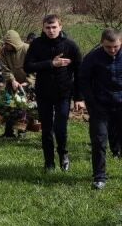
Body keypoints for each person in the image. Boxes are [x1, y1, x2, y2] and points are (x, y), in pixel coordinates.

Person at [24, 14, 82, 172]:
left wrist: (78, 97)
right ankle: (49, 162)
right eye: (48, 28)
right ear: (43, 28)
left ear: (60, 27)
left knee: (60, 127)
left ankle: (63, 154)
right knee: (47, 129)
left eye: (54, 27)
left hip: (64, 92)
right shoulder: (37, 44)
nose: (51, 30)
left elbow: (79, 73)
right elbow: (28, 67)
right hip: (43, 93)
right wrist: (51, 63)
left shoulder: (70, 46)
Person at [76, 28, 122, 190]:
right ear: (102, 42)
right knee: (99, 141)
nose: (112, 50)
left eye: (115, 46)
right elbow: (83, 79)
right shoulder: (93, 58)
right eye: (108, 47)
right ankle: (99, 176)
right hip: (100, 106)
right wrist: (87, 100)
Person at [0, 30, 36, 138]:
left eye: (8, 43)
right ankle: (8, 132)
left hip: (26, 83)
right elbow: (4, 67)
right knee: (8, 106)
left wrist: (28, 82)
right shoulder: (4, 51)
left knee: (23, 107)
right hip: (12, 82)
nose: (5, 45)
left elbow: (34, 67)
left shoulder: (27, 49)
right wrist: (12, 80)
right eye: (5, 43)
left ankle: (22, 131)